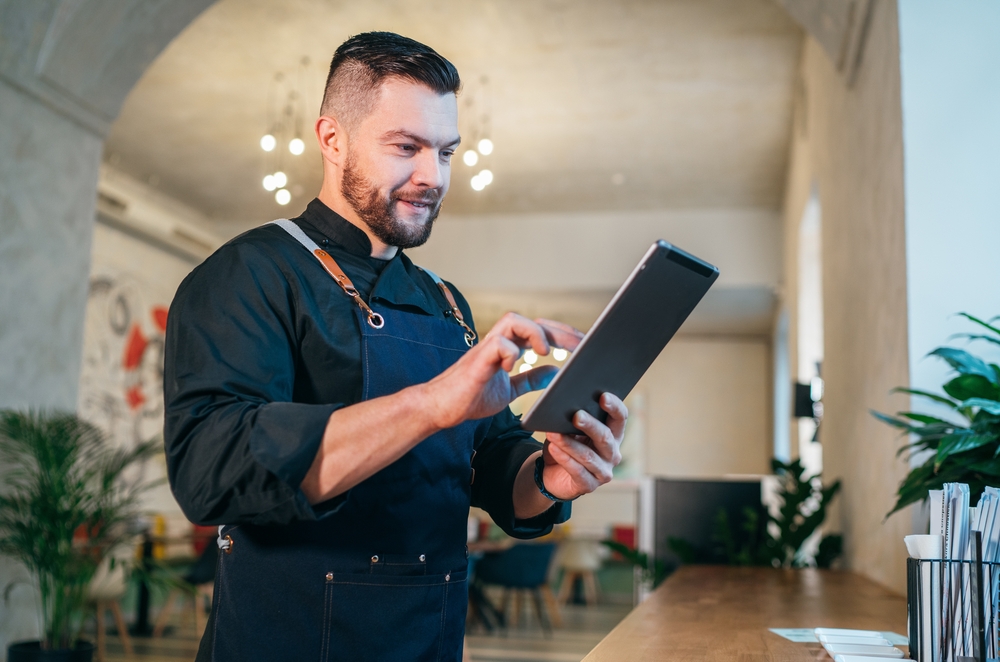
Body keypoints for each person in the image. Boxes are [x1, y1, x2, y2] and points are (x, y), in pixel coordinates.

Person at [163, 32, 627, 662]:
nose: (432, 176)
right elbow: (210, 470)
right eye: (406, 147)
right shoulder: (249, 274)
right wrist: (430, 404)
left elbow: (489, 463)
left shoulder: (445, 301)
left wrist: (550, 477)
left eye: (446, 151)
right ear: (332, 139)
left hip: (428, 640)